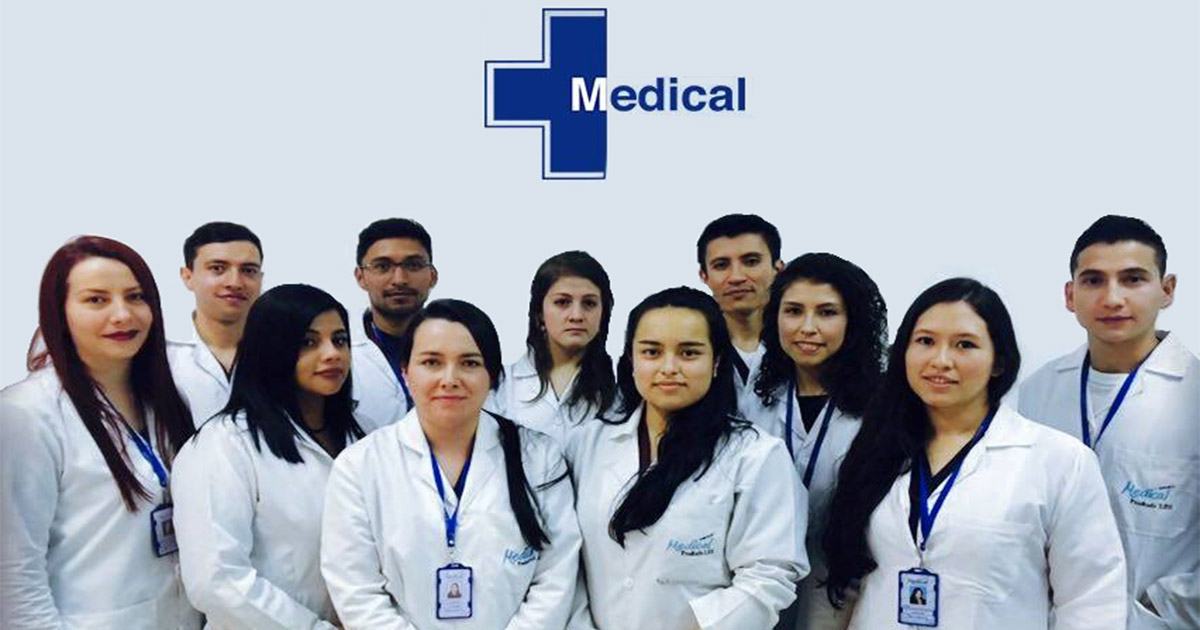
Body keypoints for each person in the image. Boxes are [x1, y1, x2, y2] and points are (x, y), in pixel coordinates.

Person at [823, 278, 1127, 629]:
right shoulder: (876, 448)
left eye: (964, 345)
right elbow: (845, 582)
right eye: (925, 341)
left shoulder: (1058, 460)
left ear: (999, 361)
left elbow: (1092, 602)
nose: (940, 360)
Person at [321, 299, 581, 629]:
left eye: (469, 363)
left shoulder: (539, 457)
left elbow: (556, 575)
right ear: (406, 372)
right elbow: (356, 590)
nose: (450, 379)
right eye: (431, 362)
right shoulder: (360, 466)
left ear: (492, 376)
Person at [565, 287, 808, 630]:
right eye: (651, 352)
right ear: (631, 360)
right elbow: (565, 560)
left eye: (689, 353)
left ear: (716, 361)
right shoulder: (587, 444)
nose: (669, 368)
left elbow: (769, 576)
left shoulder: (756, 456)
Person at [1, 236, 201, 629]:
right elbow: (13, 575)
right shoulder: (26, 414)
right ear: (59, 313)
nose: (123, 315)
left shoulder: (166, 398)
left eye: (135, 297)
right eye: (97, 300)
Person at [1018, 215, 1198, 629]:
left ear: (1167, 290)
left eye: (1133, 279)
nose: (1113, 298)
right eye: (1094, 281)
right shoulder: (1036, 392)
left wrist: (1159, 608)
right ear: (1070, 295)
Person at [172, 284, 364, 629]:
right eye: (309, 342)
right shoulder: (224, 446)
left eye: (340, 340)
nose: (332, 354)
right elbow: (216, 580)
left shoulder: (361, 437)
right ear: (272, 350)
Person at [742, 253, 888, 630]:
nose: (807, 328)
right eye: (793, 311)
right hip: (758, 574)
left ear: (853, 320)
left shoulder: (883, 403)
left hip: (844, 580)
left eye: (827, 313)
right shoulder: (757, 394)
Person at [489, 251, 618, 445]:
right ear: (539, 313)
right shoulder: (500, 385)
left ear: (603, 313)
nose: (576, 315)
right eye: (562, 302)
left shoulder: (619, 395)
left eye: (589, 303)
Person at [168, 221, 264, 424]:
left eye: (248, 270)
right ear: (187, 277)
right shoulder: (160, 352)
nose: (235, 283)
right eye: (218, 268)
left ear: (261, 279)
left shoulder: (284, 349)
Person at [351, 218, 438, 432]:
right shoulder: (342, 354)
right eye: (383, 266)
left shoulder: (462, 344)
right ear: (361, 277)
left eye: (413, 265)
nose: (399, 279)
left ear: (432, 276)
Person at [696, 214, 785, 395]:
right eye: (721, 265)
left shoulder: (802, 342)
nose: (736, 277)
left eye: (751, 262)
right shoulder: (692, 346)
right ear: (704, 276)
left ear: (778, 269)